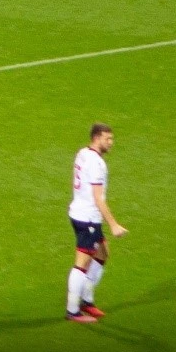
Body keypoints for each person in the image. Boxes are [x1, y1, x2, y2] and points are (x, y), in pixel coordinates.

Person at [66, 123, 128, 323]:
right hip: (88, 218)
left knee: (102, 253)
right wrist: (114, 224)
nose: (111, 143)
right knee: (82, 263)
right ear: (97, 138)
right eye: (107, 139)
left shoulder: (83, 153)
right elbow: (98, 198)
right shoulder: (97, 164)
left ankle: (87, 299)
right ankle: (73, 310)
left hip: (79, 212)